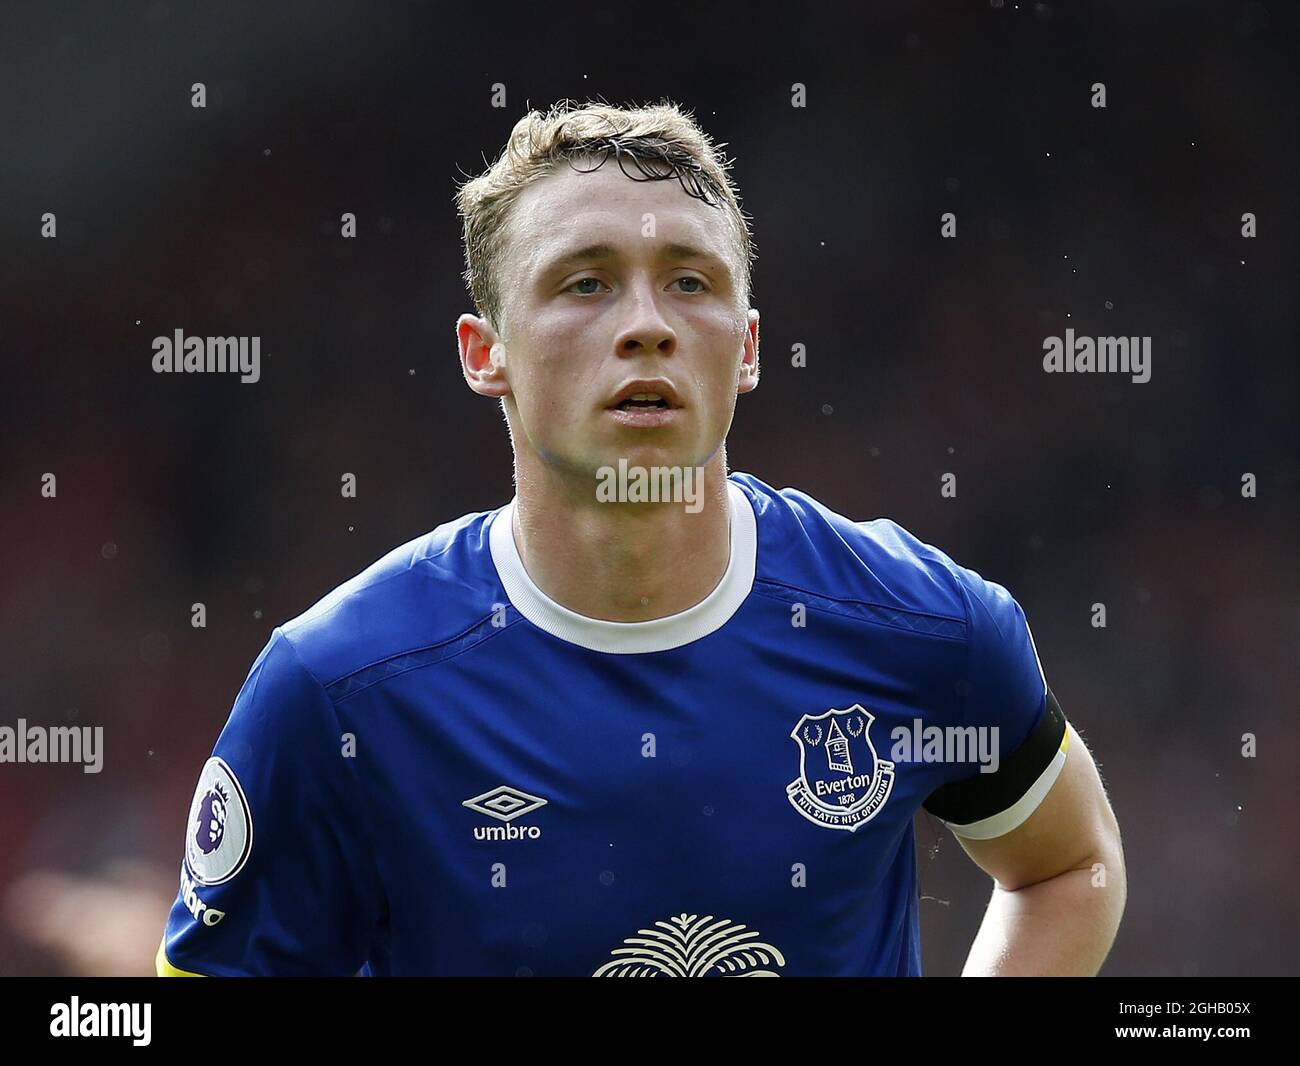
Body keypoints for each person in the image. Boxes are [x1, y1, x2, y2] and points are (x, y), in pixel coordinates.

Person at [157, 100, 1125, 977]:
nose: (646, 327)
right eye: (585, 284)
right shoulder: (337, 692)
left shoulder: (924, 630)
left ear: (746, 348)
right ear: (483, 351)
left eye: (689, 283)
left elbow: (1068, 866)